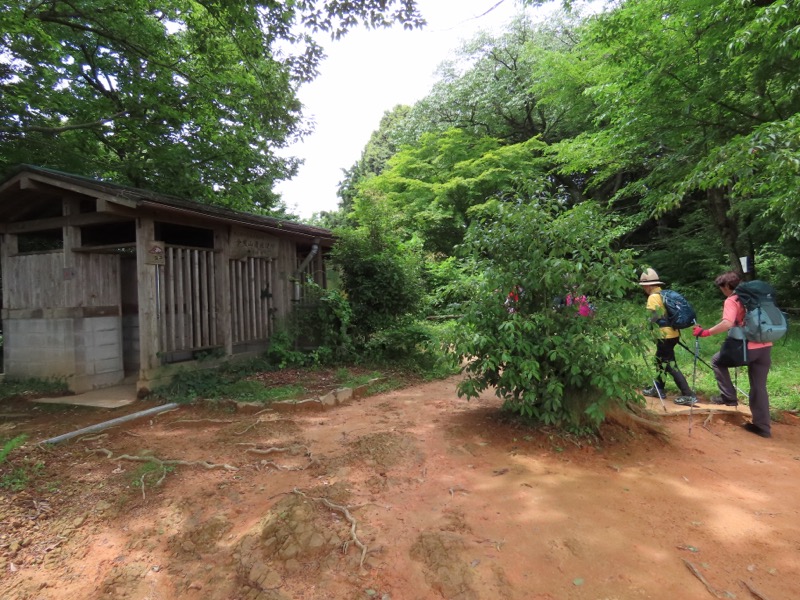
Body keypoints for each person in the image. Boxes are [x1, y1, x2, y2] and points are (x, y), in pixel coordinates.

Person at [692, 271, 773, 438]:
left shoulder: (733, 300)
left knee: (717, 361)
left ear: (728, 286)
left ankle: (729, 397)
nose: (722, 290)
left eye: (722, 287)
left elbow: (727, 323)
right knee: (759, 387)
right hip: (765, 346)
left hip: (746, 347)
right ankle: (763, 427)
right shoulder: (757, 297)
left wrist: (706, 332)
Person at [639, 268, 696, 405]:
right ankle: (658, 389)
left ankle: (688, 395)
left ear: (647, 285)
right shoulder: (663, 294)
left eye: (643, 286)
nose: (643, 289)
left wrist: (642, 328)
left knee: (670, 365)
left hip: (664, 335)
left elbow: (654, 316)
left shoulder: (653, 297)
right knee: (659, 361)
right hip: (673, 334)